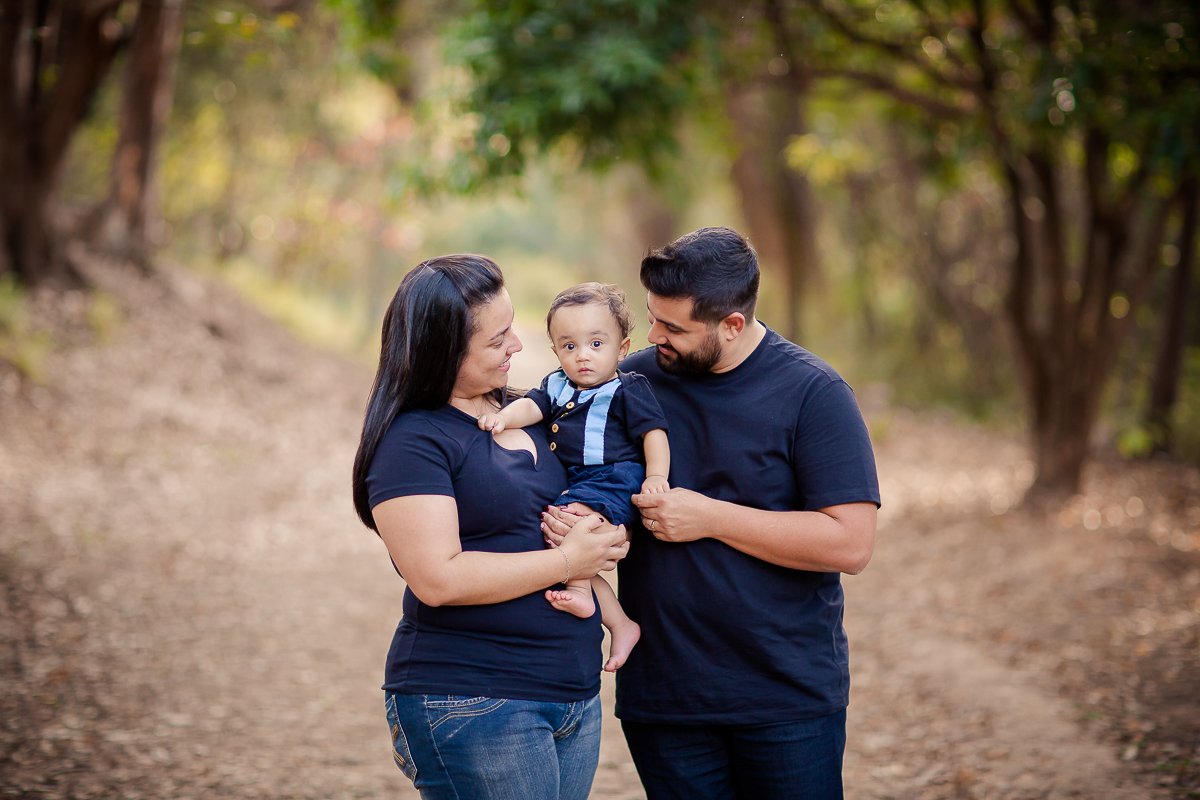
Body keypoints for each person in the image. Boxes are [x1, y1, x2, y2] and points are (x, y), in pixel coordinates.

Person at [542, 227, 880, 799]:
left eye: (673, 328)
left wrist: (712, 517)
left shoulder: (813, 393)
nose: (652, 337)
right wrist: (580, 524)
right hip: (666, 695)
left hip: (785, 695)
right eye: (651, 318)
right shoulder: (625, 383)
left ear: (732, 325)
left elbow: (851, 544)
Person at [351, 255, 630, 800]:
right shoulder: (413, 442)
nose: (518, 347)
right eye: (498, 338)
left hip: (571, 693)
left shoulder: (526, 409)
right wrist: (572, 562)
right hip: (474, 699)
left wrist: (603, 527)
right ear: (443, 353)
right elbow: (439, 579)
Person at [478, 282, 667, 671]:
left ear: (623, 348)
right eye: (569, 346)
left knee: (569, 530)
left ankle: (584, 594)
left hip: (614, 477)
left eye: (596, 344)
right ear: (555, 351)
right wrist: (502, 418)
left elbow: (654, 434)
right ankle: (620, 622)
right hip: (580, 479)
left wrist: (656, 477)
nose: (582, 356)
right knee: (560, 542)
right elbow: (530, 407)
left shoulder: (628, 389)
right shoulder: (556, 384)